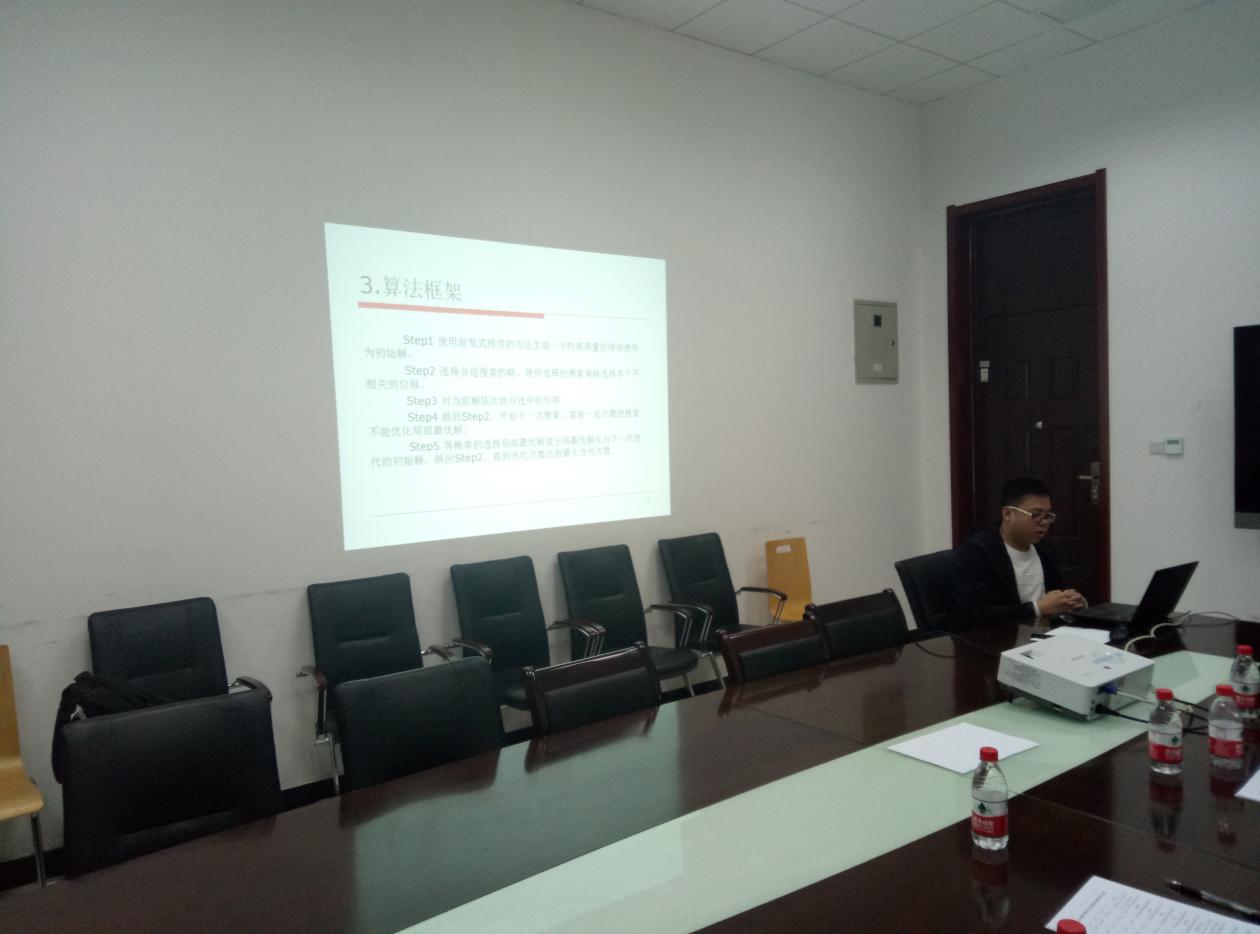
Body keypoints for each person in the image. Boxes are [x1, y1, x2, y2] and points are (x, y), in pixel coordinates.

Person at [955, 477, 1087, 628]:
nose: (1044, 522)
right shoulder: (977, 552)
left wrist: (1069, 601)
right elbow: (972, 614)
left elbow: (1055, 594)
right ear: (1008, 514)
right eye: (1036, 515)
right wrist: (1037, 608)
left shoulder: (1045, 549)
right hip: (1000, 636)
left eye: (1048, 516)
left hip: (1043, 632)